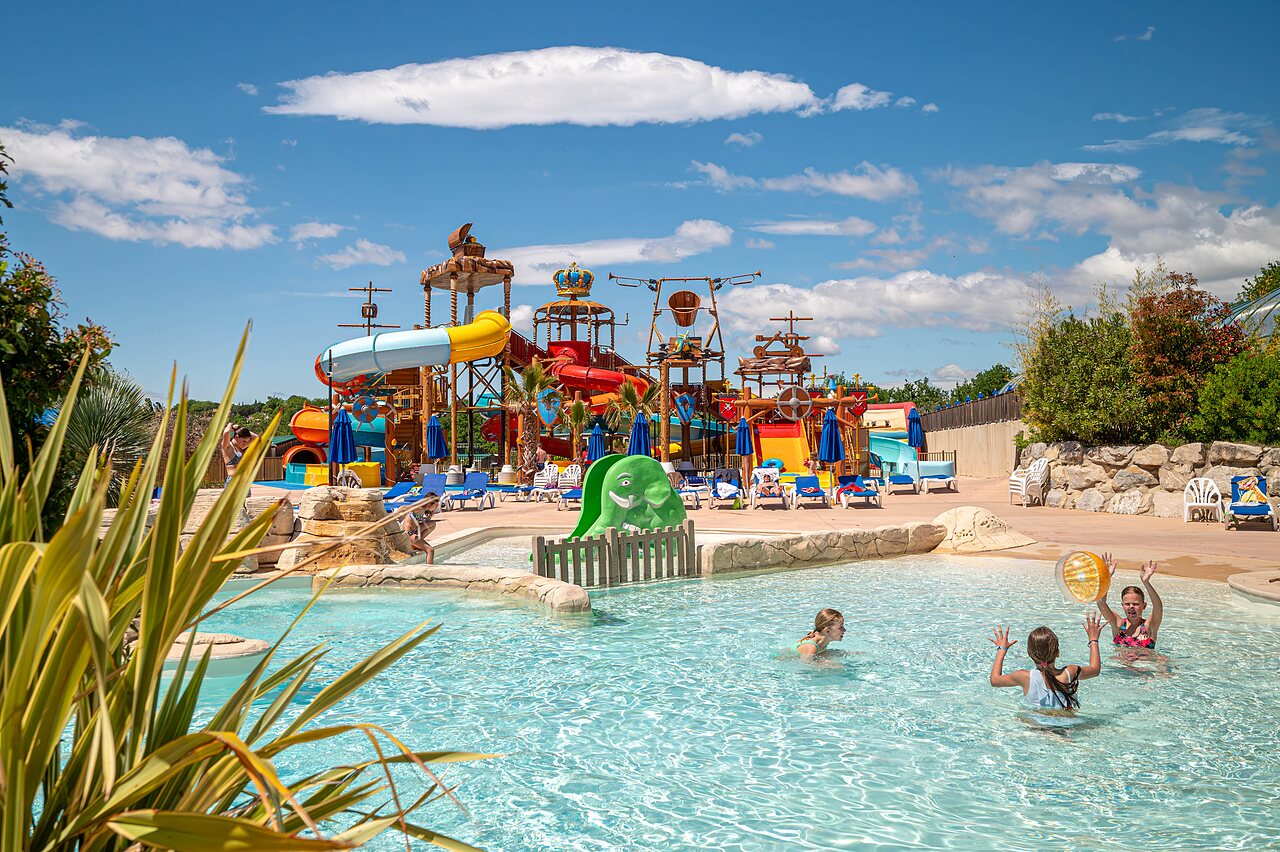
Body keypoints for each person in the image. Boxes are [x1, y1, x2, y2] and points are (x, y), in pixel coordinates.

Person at [988, 615, 1103, 710]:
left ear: (1029, 653)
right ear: (1057, 652)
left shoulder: (1024, 677)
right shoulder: (1070, 672)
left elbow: (994, 680)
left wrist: (1002, 650)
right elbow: (1095, 669)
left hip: (1038, 728)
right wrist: (1093, 640)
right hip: (1067, 727)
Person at [1097, 555, 1163, 649]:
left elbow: (1158, 607)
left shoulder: (1149, 626)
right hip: (1118, 664)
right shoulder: (1118, 624)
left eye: (1135, 604)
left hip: (1146, 663)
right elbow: (1100, 603)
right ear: (1122, 605)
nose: (1131, 607)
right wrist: (1107, 577)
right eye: (1127, 604)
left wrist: (1146, 582)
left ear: (1144, 605)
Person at [403, 493, 441, 564]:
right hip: (409, 535)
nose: (437, 507)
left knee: (432, 524)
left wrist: (430, 515)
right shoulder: (419, 508)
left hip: (414, 532)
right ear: (429, 504)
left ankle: (418, 543)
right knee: (430, 550)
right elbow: (405, 508)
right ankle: (429, 570)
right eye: (435, 505)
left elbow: (424, 521)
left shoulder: (424, 510)